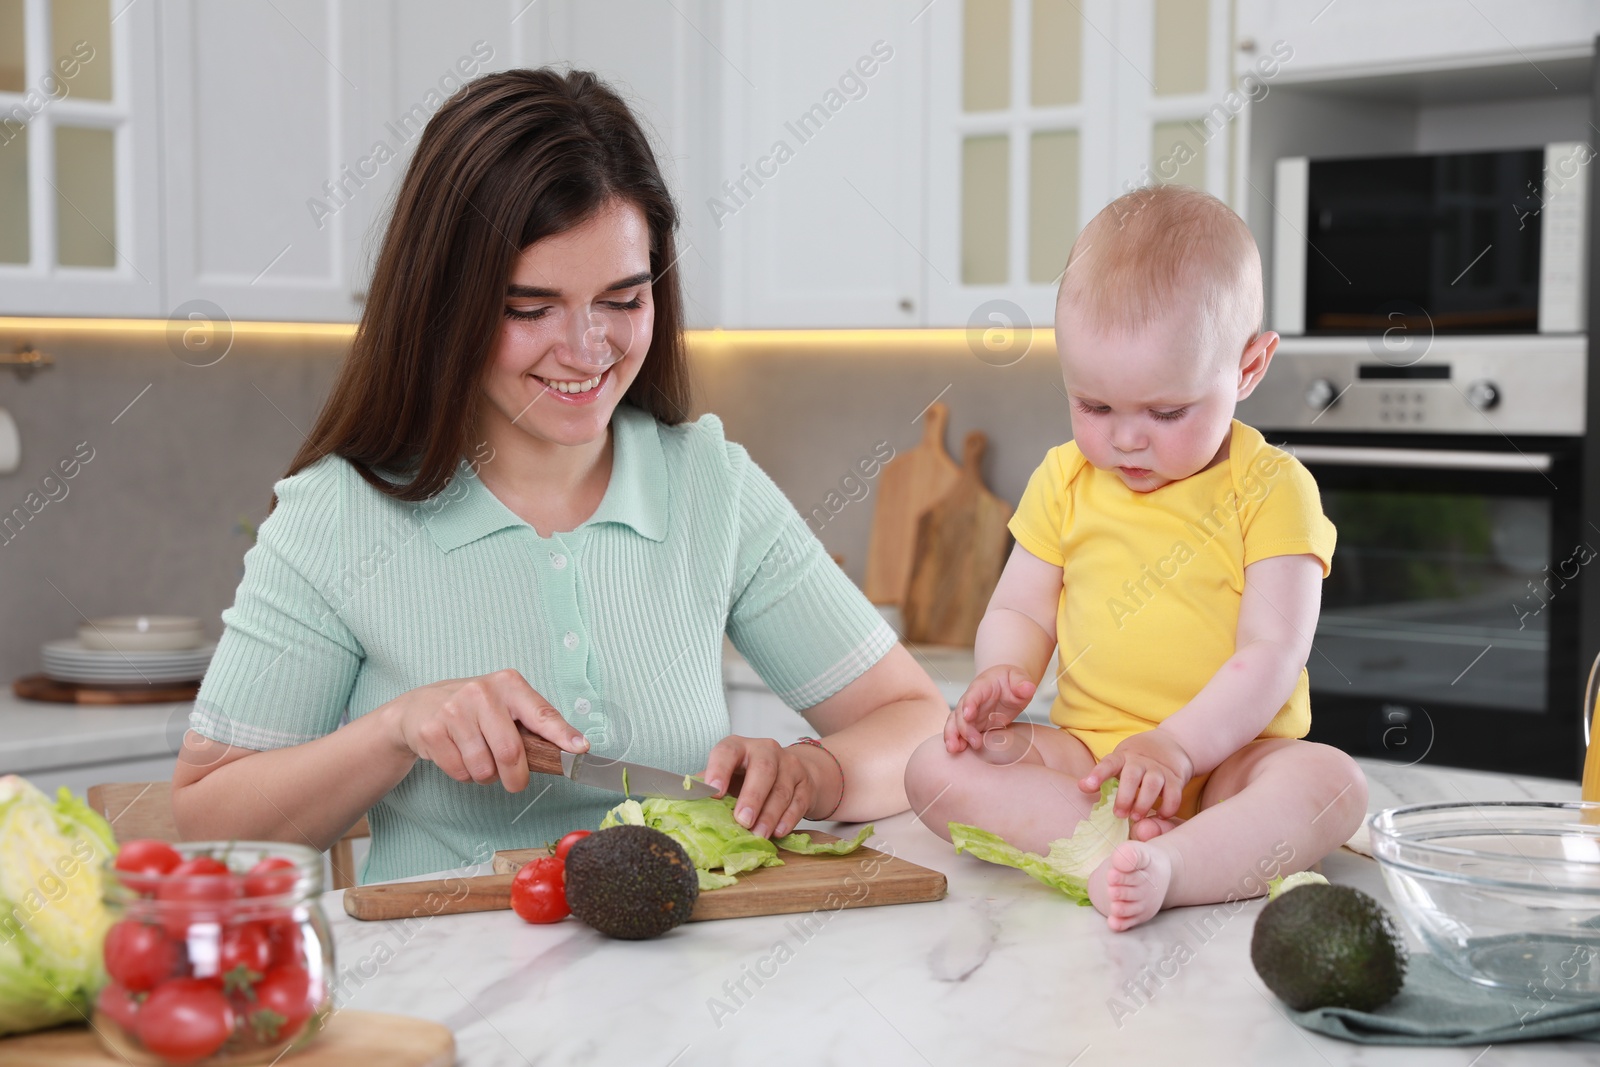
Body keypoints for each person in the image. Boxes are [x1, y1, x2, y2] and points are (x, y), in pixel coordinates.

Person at [171, 68, 947, 884]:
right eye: (529, 308)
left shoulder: (708, 483)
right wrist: (395, 729)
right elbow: (210, 822)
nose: (586, 349)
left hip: (675, 989)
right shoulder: (338, 513)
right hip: (435, 998)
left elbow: (916, 722)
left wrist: (816, 771)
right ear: (445, 305)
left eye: (623, 298)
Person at [903, 184, 1367, 931]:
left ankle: (1176, 863)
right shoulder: (1064, 478)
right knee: (932, 768)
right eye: (1094, 406)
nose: (1126, 439)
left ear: (1248, 368)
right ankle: (1106, 853)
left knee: (1332, 783)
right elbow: (1021, 607)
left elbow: (1272, 650)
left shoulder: (1273, 488)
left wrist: (1177, 748)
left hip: (1228, 766)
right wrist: (1000, 674)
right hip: (1089, 763)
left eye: (1166, 412)